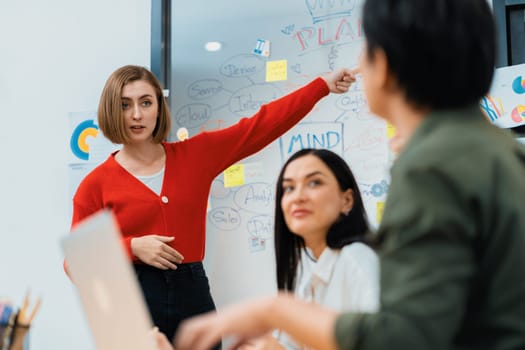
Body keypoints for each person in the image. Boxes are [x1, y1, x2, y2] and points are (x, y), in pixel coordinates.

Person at [172, 0, 525, 349]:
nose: (298, 196)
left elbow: (405, 338)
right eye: (288, 187)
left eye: (366, 47)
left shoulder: (429, 165)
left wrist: (274, 310)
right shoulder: (497, 150)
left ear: (383, 64)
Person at [67, 64, 356, 343]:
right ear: (111, 111)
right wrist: (132, 248)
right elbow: (75, 263)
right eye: (124, 105)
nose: (137, 114)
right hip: (130, 301)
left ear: (158, 107)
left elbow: (261, 125)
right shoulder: (94, 185)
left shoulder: (196, 155)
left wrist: (321, 87)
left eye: (146, 102)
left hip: (192, 293)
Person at [248, 148, 379, 349]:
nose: (298, 197)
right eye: (289, 188)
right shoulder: (308, 276)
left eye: (314, 183)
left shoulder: (358, 259)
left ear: (347, 200)